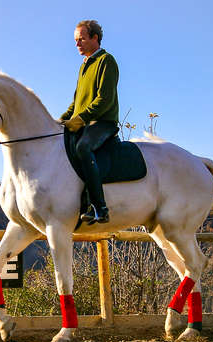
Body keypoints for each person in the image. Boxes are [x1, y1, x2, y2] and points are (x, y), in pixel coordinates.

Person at [59, 20, 119, 224]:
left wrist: (81, 119)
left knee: (83, 147)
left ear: (95, 38)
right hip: (84, 123)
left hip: (103, 123)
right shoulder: (83, 66)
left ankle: (100, 207)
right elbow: (76, 103)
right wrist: (61, 120)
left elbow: (105, 99)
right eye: (76, 40)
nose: (77, 44)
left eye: (82, 39)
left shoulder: (106, 61)